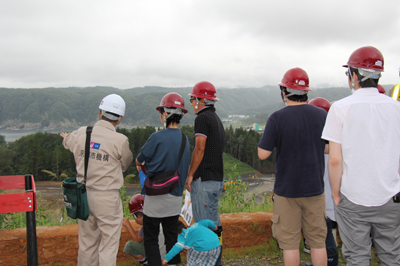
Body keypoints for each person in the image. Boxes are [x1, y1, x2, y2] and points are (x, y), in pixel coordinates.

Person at [322, 46, 400, 266]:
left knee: (357, 257)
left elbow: (335, 160)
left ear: (354, 75)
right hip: (391, 196)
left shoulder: (340, 108)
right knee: (392, 256)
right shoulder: (396, 108)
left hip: (353, 196)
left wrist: (336, 195)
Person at [257, 68, 328, 266]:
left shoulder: (277, 118)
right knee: (317, 242)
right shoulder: (321, 115)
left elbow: (263, 154)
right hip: (315, 189)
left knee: (289, 244)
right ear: (306, 92)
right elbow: (328, 148)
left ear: (284, 92)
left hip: (287, 191)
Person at [60, 94, 133, 266]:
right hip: (107, 197)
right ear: (120, 118)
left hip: (83, 195)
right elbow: (125, 163)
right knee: (108, 244)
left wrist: (66, 139)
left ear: (100, 112)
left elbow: (68, 142)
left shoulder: (81, 133)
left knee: (87, 243)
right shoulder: (120, 140)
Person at [136, 92, 190, 266]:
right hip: (174, 197)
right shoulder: (185, 140)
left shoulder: (156, 137)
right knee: (171, 237)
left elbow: (139, 159)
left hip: (155, 196)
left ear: (165, 114)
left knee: (151, 237)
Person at [184, 81, 225, 265]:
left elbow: (199, 149)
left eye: (193, 99)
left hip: (204, 180)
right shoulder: (216, 118)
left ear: (201, 100)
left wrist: (190, 174)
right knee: (214, 226)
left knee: (203, 228)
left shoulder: (202, 118)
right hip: (216, 179)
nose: (192, 103)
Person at [304, 97, 338, 266]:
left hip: (322, 196)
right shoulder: (334, 139)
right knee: (324, 233)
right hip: (332, 195)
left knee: (324, 234)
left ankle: (330, 260)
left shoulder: (321, 141)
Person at [122, 194, 167, 265]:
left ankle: (145, 262)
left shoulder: (147, 226)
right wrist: (128, 225)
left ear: (139, 216)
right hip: (161, 253)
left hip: (157, 256)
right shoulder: (151, 220)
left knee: (129, 245)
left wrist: (127, 225)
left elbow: (137, 239)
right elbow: (138, 231)